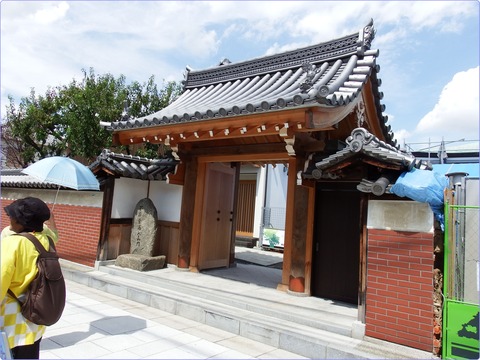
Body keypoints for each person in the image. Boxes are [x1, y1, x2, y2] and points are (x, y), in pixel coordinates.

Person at [0, 197, 59, 359]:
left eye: (13, 216)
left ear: (22, 221)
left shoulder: (11, 243)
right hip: (36, 316)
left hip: (11, 321)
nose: (10, 218)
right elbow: (54, 235)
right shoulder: (47, 241)